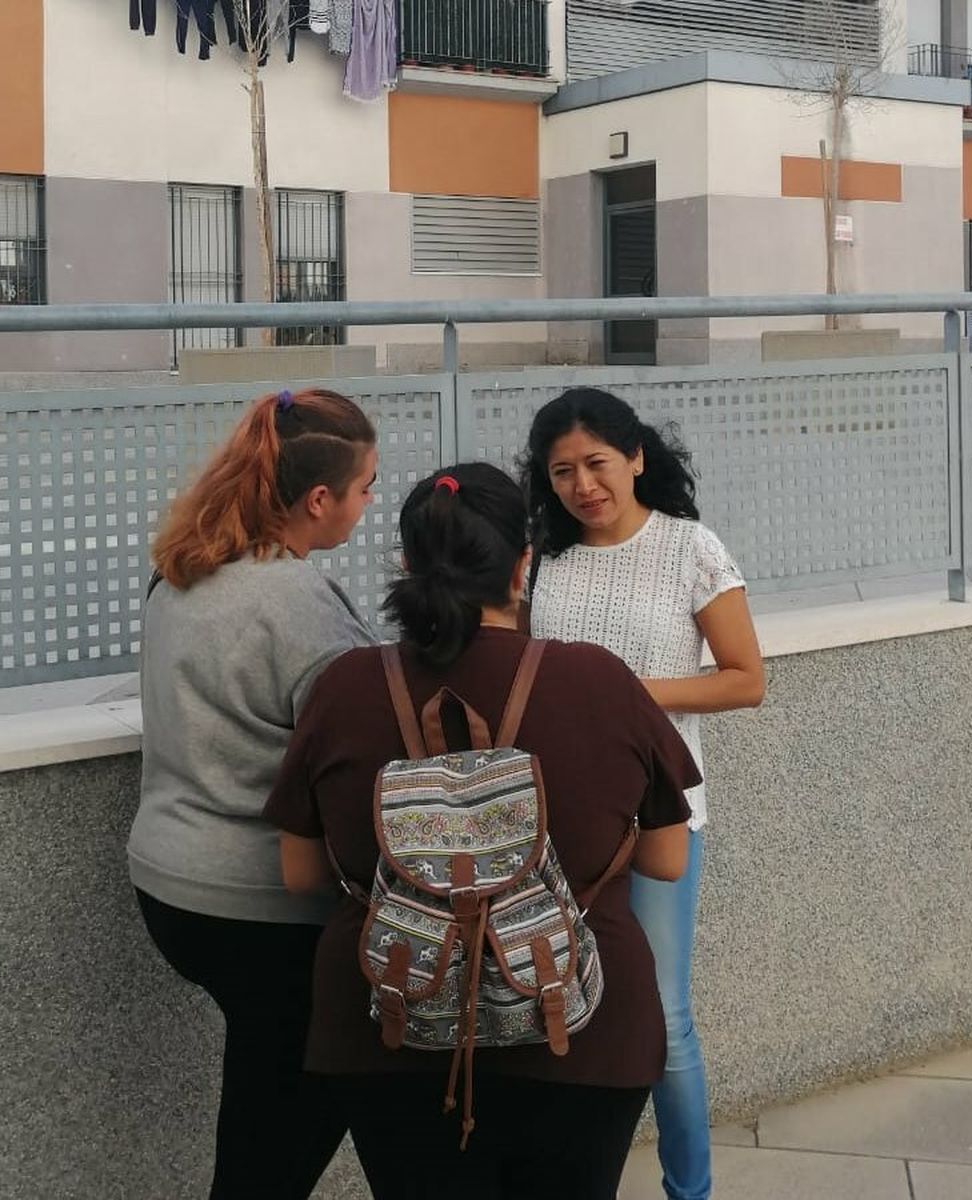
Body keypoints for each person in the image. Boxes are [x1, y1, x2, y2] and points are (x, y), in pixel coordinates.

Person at [264, 462, 701, 1200]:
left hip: (388, 1025)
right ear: (523, 563)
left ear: (406, 564)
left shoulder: (344, 686)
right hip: (580, 1029)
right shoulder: (597, 679)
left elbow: (301, 875)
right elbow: (665, 857)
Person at [128, 387, 378, 1199]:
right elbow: (356, 758)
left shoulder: (182, 571)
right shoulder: (302, 605)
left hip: (168, 887)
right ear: (319, 499)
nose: (370, 503)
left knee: (267, 1082)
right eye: (366, 487)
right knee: (296, 1117)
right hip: (264, 906)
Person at [521, 388, 765, 1200]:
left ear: (636, 458)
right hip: (554, 818)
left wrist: (624, 691)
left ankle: (687, 1190)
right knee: (557, 1003)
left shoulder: (690, 547)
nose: (582, 485)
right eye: (562, 472)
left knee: (666, 1014)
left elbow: (745, 681)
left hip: (661, 816)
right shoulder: (545, 558)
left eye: (596, 463)